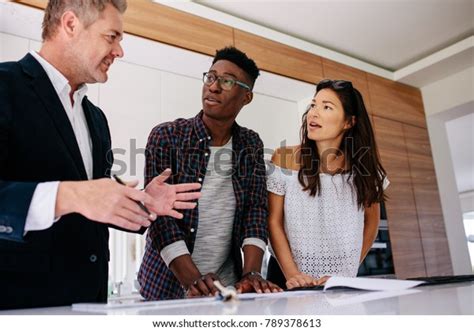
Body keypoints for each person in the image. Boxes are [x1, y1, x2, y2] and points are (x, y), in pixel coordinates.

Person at [0, 0, 200, 309]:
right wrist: (69, 196)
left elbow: (96, 203)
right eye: (112, 37)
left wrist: (142, 201)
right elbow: (80, 197)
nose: (119, 51)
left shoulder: (96, 119)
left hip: (90, 306)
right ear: (70, 24)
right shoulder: (5, 86)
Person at [138, 46, 282, 300]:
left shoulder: (250, 144)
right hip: (167, 289)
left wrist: (252, 274)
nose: (213, 87)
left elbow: (255, 211)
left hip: (228, 289)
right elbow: (161, 219)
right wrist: (193, 280)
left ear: (246, 97)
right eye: (211, 77)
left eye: (227, 81)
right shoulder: (167, 136)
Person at [266, 79, 389, 290]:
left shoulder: (364, 168)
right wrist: (293, 274)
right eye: (313, 105)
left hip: (337, 282)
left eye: (326, 107)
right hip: (285, 275)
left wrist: (346, 272)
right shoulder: (284, 158)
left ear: (349, 122)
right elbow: (273, 221)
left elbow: (371, 223)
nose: (314, 113)